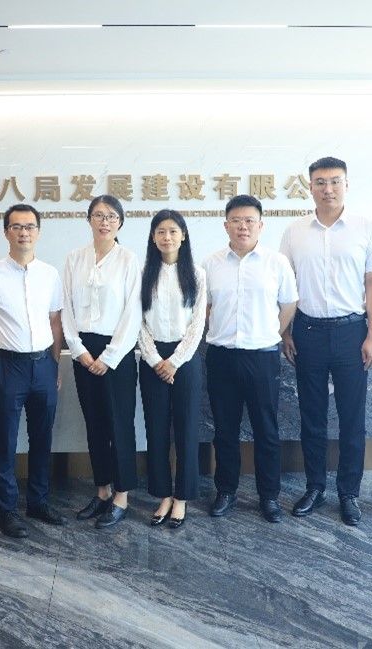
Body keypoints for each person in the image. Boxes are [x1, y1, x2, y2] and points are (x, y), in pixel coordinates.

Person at [279, 156, 372, 526]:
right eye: (321, 182)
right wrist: (285, 331)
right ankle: (315, 487)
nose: (328, 189)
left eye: (335, 181)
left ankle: (349, 493)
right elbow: (285, 286)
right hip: (307, 332)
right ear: (310, 187)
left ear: (346, 184)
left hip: (351, 332)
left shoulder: (364, 228)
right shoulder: (294, 232)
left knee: (352, 418)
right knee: (312, 416)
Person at [0, 204, 66, 538]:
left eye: (29, 226)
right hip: (7, 365)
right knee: (5, 439)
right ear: (6, 232)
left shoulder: (50, 274)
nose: (24, 232)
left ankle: (38, 501)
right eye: (17, 227)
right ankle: (7, 510)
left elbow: (55, 321)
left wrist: (54, 364)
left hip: (43, 364)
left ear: (38, 231)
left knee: (42, 437)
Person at [204, 195, 298, 523]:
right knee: (224, 430)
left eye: (249, 221)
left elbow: (289, 303)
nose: (243, 226)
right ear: (225, 225)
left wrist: (272, 332)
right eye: (236, 220)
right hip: (222, 357)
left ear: (261, 225)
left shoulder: (276, 263)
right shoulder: (211, 264)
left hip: (262, 357)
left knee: (266, 429)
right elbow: (204, 307)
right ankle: (225, 491)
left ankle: (269, 496)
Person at [62, 195, 142, 529]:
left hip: (117, 353)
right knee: (94, 424)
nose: (104, 222)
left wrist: (109, 356)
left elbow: (133, 313)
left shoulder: (129, 260)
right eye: (98, 215)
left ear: (120, 222)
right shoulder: (74, 258)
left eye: (111, 216)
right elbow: (65, 308)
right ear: (89, 220)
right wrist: (78, 350)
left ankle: (121, 496)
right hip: (83, 350)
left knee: (119, 424)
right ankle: (102, 490)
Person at [138, 209, 206, 529]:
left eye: (173, 231)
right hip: (152, 358)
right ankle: (163, 494)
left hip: (185, 358)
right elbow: (137, 322)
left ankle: (182, 497)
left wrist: (175, 361)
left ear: (183, 235)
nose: (167, 237)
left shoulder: (197, 274)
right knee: (156, 429)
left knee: (187, 429)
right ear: (153, 237)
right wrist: (154, 360)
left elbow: (197, 323)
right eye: (161, 232)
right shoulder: (142, 274)